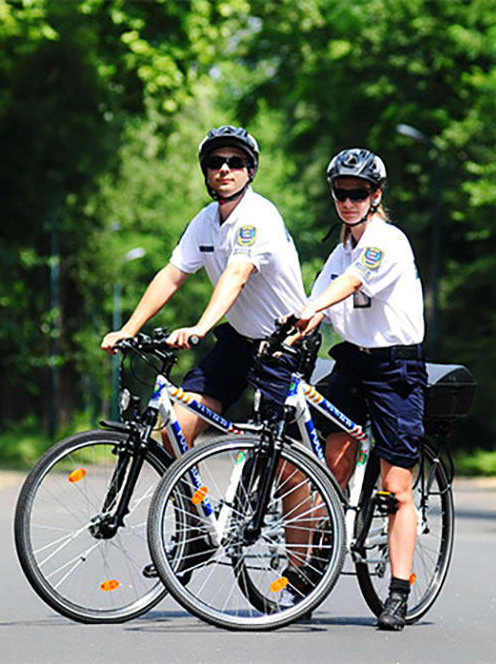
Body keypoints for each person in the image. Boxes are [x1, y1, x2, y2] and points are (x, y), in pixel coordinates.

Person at [100, 125, 308, 577]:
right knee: (174, 425)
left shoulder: (258, 216)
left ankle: (302, 568)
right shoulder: (204, 221)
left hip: (283, 343)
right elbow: (172, 274)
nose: (225, 170)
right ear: (206, 173)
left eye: (235, 162)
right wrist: (128, 328)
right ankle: (196, 533)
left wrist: (199, 326)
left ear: (250, 170)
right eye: (216, 163)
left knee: (284, 464)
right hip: (237, 340)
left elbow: (236, 274)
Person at [294, 148, 427, 631]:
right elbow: (317, 301)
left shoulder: (386, 242)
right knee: (327, 462)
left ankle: (398, 590)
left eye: (357, 193)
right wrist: (288, 331)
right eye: (340, 193)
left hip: (395, 369)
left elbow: (350, 284)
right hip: (352, 364)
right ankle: (312, 565)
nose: (347, 201)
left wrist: (313, 310)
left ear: (375, 196)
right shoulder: (340, 248)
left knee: (396, 487)